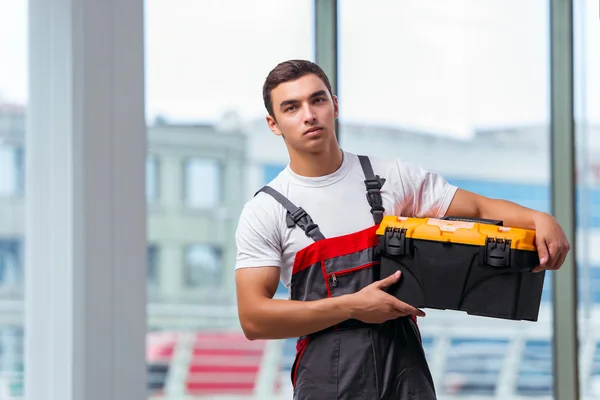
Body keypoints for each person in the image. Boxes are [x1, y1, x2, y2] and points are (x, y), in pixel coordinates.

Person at [234, 59, 570, 400]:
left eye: (317, 100)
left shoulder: (393, 178)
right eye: (291, 108)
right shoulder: (267, 210)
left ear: (334, 105)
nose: (308, 115)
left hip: (406, 374)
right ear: (273, 124)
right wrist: (352, 306)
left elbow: (480, 210)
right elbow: (254, 318)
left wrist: (539, 219)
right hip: (327, 382)